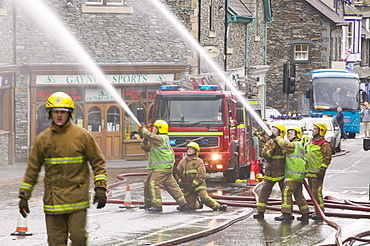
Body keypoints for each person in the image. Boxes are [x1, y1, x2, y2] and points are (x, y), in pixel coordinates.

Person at [18, 92, 107, 245]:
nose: (59, 115)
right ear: (50, 113)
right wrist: (24, 196)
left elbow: (98, 163)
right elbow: (32, 170)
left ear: (69, 114)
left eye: (63, 112)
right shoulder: (42, 140)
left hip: (77, 198)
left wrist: (100, 188)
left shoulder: (82, 136)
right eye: (56, 112)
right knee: (55, 241)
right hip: (54, 201)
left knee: (79, 239)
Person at [139, 120, 188, 212]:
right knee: (171, 186)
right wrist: (145, 139)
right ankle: (183, 204)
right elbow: (144, 148)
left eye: (155, 127)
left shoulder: (160, 138)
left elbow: (150, 136)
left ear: (159, 129)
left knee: (153, 184)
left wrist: (144, 131)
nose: (153, 129)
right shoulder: (156, 139)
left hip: (161, 168)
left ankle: (157, 206)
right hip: (160, 168)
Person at [272, 127, 310, 222]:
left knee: (286, 192)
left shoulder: (295, 144)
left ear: (297, 134)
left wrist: (276, 137)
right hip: (298, 175)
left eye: (291, 133)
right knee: (298, 195)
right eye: (288, 133)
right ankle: (305, 214)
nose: (289, 135)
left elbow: (284, 144)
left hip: (293, 175)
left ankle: (286, 214)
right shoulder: (298, 145)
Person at [176, 142, 227, 211]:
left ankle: (218, 207)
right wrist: (181, 183)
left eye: (191, 149)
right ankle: (198, 205)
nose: (189, 150)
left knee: (204, 198)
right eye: (188, 149)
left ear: (196, 151)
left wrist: (194, 184)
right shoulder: (182, 162)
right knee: (191, 206)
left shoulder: (199, 161)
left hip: (199, 185)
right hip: (187, 186)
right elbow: (178, 174)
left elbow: (201, 174)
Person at [253, 123, 286, 219]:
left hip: (282, 173)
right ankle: (260, 212)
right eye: (273, 130)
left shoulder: (284, 143)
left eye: (275, 130)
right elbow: (264, 155)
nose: (273, 132)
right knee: (264, 193)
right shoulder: (269, 143)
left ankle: (286, 213)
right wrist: (272, 151)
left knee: (285, 194)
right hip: (270, 173)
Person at [305, 122, 332, 220]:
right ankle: (317, 211)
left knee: (317, 192)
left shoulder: (324, 144)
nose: (313, 130)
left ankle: (320, 212)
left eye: (315, 129)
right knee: (312, 193)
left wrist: (322, 170)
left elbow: (327, 158)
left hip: (317, 173)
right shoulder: (312, 142)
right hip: (310, 173)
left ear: (321, 131)